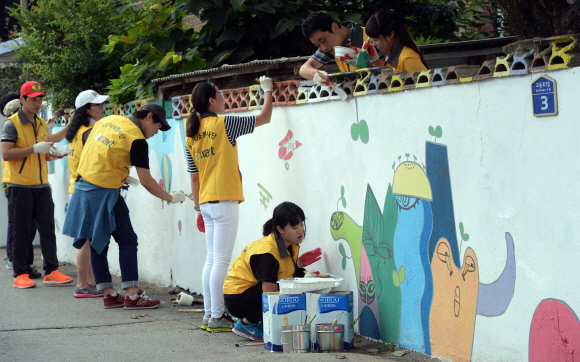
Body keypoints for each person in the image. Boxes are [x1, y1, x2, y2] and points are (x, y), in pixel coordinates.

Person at [62, 103, 186, 309]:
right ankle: (132, 294)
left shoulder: (107, 121)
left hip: (83, 187)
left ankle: (109, 294)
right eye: (157, 127)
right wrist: (170, 197)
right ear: (148, 117)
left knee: (97, 242)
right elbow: (146, 180)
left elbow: (94, 149)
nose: (156, 133)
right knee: (128, 239)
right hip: (104, 192)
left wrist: (119, 172)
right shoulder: (136, 139)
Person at [185, 76, 274, 333]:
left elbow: (194, 175)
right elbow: (264, 117)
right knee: (221, 261)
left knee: (212, 259)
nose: (224, 101)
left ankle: (208, 316)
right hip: (224, 201)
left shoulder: (190, 131)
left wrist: (198, 209)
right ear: (212, 101)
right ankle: (215, 318)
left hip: (206, 203)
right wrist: (267, 91)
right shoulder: (226, 123)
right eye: (221, 97)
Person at [0, 81, 73, 288]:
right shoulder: (11, 124)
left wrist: (51, 155)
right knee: (22, 232)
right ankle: (19, 274)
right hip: (19, 185)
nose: (38, 102)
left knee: (48, 229)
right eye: (34, 99)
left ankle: (51, 270)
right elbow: (6, 154)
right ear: (22, 100)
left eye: (40, 98)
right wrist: (34, 149)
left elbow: (39, 153)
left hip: (41, 185)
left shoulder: (40, 122)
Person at [223, 202, 322, 341]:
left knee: (285, 289)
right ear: (280, 229)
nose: (300, 230)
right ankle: (245, 323)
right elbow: (270, 293)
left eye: (301, 224)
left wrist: (305, 272)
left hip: (250, 291)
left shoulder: (288, 244)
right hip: (237, 298)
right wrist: (303, 281)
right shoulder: (268, 254)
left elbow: (284, 272)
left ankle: (262, 323)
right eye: (294, 227)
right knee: (279, 293)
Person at [65, 90, 110, 298]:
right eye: (98, 105)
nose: (102, 108)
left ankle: (90, 283)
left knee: (87, 239)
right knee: (86, 240)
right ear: (87, 109)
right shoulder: (90, 132)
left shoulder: (77, 130)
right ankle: (84, 284)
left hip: (77, 188)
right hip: (87, 189)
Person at [299, 12, 381, 86]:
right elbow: (303, 69)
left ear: (335, 27)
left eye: (323, 40)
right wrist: (316, 74)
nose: (323, 48)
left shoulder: (371, 38)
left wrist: (366, 63)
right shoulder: (329, 47)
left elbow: (389, 67)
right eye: (318, 45)